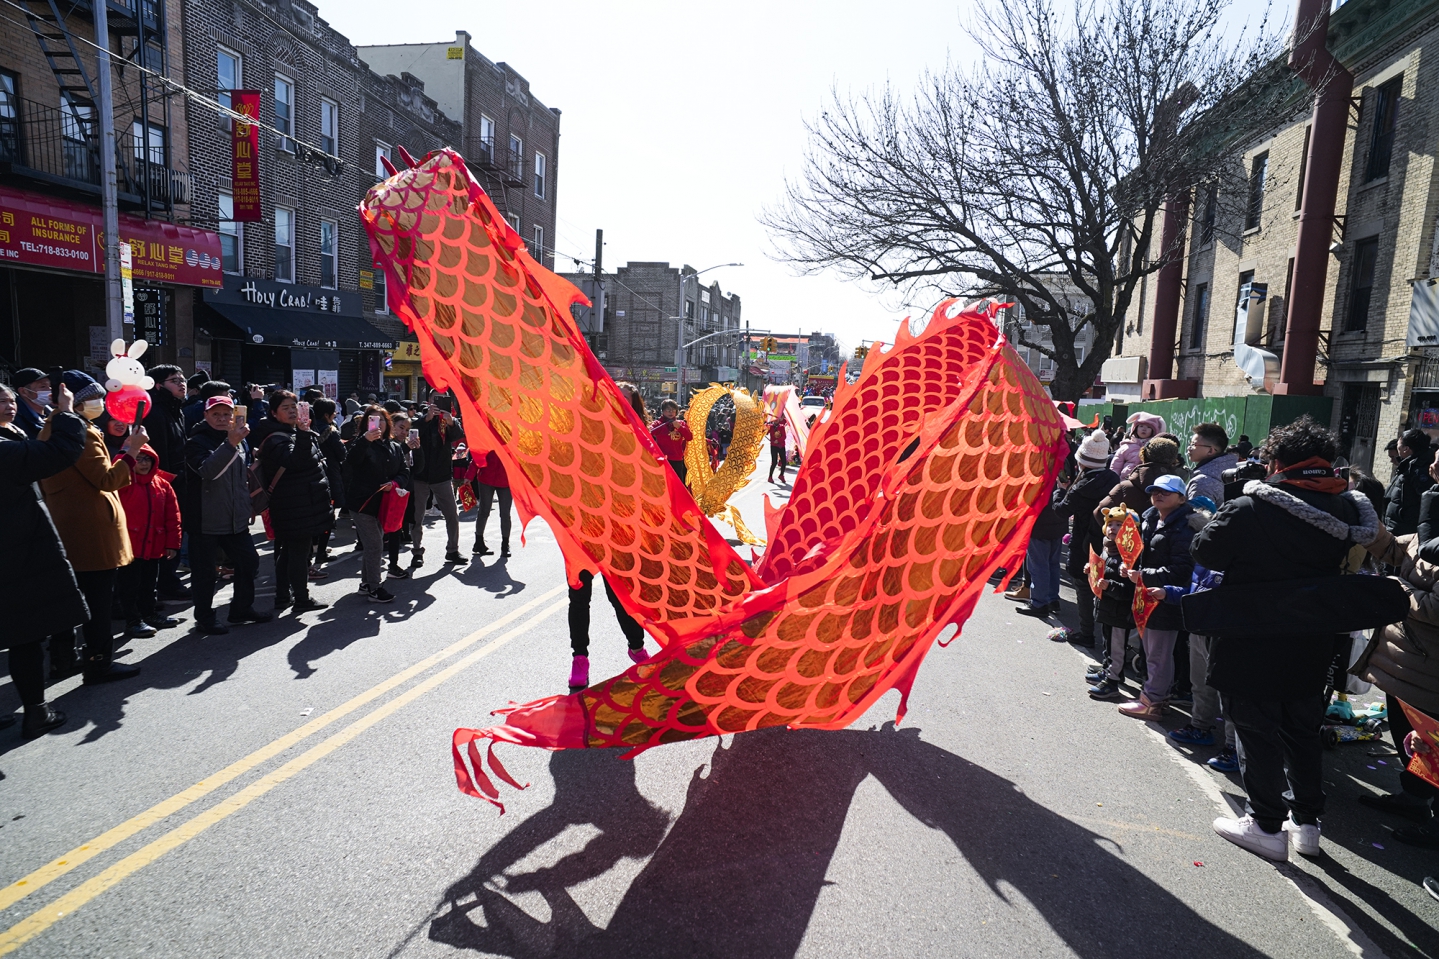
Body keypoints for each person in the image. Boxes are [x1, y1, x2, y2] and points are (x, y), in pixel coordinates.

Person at [1194, 416, 1378, 861]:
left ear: (1276, 463)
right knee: (1302, 728)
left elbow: (1206, 550)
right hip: (1313, 636)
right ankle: (1307, 823)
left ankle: (1266, 825)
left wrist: (1236, 499)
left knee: (1256, 729)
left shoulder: (1251, 506)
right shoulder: (1347, 509)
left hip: (1251, 634)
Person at [1347, 469, 1439, 849]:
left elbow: (1434, 607)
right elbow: (1396, 550)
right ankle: (1413, 798)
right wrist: (1366, 524)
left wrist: (1393, 587)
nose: (1432, 471)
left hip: (1427, 671)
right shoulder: (1430, 528)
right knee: (1409, 739)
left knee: (1431, 744)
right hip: (1402, 666)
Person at [40, 371, 147, 683]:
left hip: (67, 524)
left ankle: (63, 659)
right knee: (98, 601)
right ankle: (99, 662)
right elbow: (107, 479)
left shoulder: (51, 428)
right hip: (91, 527)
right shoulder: (81, 432)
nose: (99, 404)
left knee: (69, 599)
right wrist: (132, 450)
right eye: (92, 398)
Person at [1, 382, 87, 736]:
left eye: (9, 399)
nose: (8, 405)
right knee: (26, 635)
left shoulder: (12, 436)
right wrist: (66, 413)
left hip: (15, 548)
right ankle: (36, 712)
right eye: (0, 401)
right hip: (15, 552)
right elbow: (59, 452)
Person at [1157, 508, 1240, 770]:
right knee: (1200, 684)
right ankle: (1200, 726)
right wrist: (1168, 593)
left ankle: (1235, 748)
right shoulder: (1203, 558)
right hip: (1198, 629)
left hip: (1226, 634)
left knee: (1229, 693)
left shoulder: (1241, 559)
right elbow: (1194, 593)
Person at [185, 394, 269, 634]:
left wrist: (246, 505)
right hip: (205, 519)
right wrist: (230, 444)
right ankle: (204, 617)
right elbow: (208, 472)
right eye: (216, 414)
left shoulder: (238, 439)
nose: (221, 418)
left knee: (249, 561)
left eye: (226, 414)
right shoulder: (196, 442)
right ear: (206, 415)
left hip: (235, 518)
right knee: (204, 573)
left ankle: (241, 609)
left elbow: (241, 477)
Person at [1116, 474, 1197, 721]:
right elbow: (1142, 553)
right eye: (1155, 491)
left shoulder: (1185, 527)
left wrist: (1143, 575)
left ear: (1181, 498)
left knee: (1158, 654)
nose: (1158, 495)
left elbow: (1182, 570)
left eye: (1166, 492)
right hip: (1148, 596)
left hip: (1167, 598)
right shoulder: (1151, 517)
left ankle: (1152, 702)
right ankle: (1155, 698)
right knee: (1153, 652)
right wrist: (1129, 566)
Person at [251, 390, 332, 614]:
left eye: (294, 407)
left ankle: (283, 596)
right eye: (285, 408)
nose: (292, 411)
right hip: (293, 505)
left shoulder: (293, 432)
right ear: (274, 413)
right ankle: (301, 598)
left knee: (289, 551)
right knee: (298, 553)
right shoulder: (276, 438)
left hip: (302, 502)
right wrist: (304, 434)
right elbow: (296, 461)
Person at [1053, 430, 1119, 645]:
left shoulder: (1081, 487)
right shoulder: (1113, 478)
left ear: (1081, 460)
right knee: (1103, 585)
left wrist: (1060, 491)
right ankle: (1107, 637)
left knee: (1083, 586)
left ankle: (1086, 632)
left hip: (1083, 541)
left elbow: (1061, 510)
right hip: (1107, 540)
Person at [114, 444, 183, 638]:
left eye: (147, 459)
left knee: (149, 584)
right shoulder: (123, 482)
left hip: (154, 545)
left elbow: (173, 517)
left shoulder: (162, 484)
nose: (143, 464)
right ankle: (133, 621)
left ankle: (149, 614)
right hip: (129, 547)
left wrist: (172, 543)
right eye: (138, 459)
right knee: (129, 586)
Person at [344, 405, 407, 602]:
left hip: (384, 503)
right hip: (362, 503)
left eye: (381, 420)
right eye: (373, 420)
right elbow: (351, 462)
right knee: (375, 545)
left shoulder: (394, 446)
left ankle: (366, 584)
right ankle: (374, 587)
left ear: (387, 423)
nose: (378, 424)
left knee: (374, 544)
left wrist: (394, 484)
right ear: (366, 423)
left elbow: (404, 471)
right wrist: (365, 440)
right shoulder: (360, 443)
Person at [141, 364, 190, 598]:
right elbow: (158, 453)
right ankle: (164, 584)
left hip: (178, 480)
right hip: (164, 483)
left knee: (174, 530)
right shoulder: (155, 412)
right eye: (174, 380)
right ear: (159, 385)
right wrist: (169, 481)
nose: (182, 384)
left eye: (182, 379)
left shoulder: (176, 409)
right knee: (165, 531)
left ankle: (167, 581)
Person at [567, 568, 651, 691]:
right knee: (579, 596)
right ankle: (579, 659)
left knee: (620, 594)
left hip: (608, 554)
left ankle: (637, 648)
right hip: (580, 555)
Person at [1087, 507, 1138, 701]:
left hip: (1119, 611)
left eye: (1119, 524)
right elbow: (1103, 570)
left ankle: (1112, 681)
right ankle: (1108, 670)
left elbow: (1129, 590)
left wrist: (1110, 586)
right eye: (1110, 524)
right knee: (1108, 643)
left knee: (1117, 647)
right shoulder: (1108, 548)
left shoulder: (1129, 555)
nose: (1113, 528)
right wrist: (1091, 568)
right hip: (1107, 607)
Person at [411, 395, 466, 568]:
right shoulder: (421, 417)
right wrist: (427, 418)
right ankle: (417, 551)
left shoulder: (448, 420)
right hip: (420, 475)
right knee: (417, 516)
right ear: (429, 401)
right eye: (436, 399)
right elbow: (412, 431)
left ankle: (452, 550)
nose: (439, 403)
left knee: (452, 514)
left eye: (443, 399)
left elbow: (458, 436)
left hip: (442, 475)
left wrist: (451, 422)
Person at [1095, 435, 1180, 521]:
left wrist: (1119, 528)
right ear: (1174, 459)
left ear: (1144, 456)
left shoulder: (1125, 487)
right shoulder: (1179, 491)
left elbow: (1100, 511)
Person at [1018, 478, 1068, 618]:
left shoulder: (1040, 472)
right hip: (1057, 522)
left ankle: (1039, 602)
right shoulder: (1062, 469)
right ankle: (1052, 599)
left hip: (1040, 523)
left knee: (1039, 565)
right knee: (1052, 564)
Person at [310, 397, 346, 572]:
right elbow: (342, 454)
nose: (335, 415)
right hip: (330, 476)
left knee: (313, 514)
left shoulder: (307, 430)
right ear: (326, 415)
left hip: (312, 478)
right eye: (333, 412)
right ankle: (321, 553)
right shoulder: (331, 432)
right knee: (328, 516)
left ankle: (313, 547)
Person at [1386, 428, 1435, 537]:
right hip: (1397, 528)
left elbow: (1426, 502)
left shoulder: (1419, 470)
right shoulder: (1407, 465)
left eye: (1398, 445)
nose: (1397, 448)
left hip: (1406, 531)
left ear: (1406, 449)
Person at [1186, 422, 1238, 507]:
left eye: (1194, 444)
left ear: (1210, 451)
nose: (1189, 448)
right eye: (1190, 444)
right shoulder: (1234, 469)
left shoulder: (1202, 483)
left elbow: (1197, 515)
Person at [472, 450, 512, 557]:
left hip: (505, 480)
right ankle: (479, 542)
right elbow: (478, 454)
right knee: (484, 511)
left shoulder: (512, 442)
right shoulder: (488, 440)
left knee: (505, 514)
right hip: (486, 478)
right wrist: (469, 475)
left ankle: (505, 545)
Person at [1109, 412, 1166, 479]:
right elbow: (1115, 467)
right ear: (1135, 428)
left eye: (1148, 427)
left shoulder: (1155, 448)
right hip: (1125, 481)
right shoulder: (1126, 446)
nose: (1144, 429)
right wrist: (1113, 480)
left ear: (1154, 431)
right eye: (1141, 426)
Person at [650, 399, 692, 482]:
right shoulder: (658, 423)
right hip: (662, 460)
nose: (671, 412)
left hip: (677, 460)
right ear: (663, 411)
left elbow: (689, 437)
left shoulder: (681, 423)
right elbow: (650, 432)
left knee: (677, 485)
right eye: (668, 409)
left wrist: (679, 427)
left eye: (673, 410)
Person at [11, 368, 51, 439]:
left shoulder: (55, 412)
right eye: (43, 386)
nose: (50, 390)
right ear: (24, 392)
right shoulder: (14, 419)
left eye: (50, 386)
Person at [766, 414, 789, 484]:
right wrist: (763, 428)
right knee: (774, 462)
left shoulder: (781, 427)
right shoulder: (770, 427)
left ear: (779, 419)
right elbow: (765, 432)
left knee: (784, 462)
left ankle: (781, 475)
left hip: (781, 446)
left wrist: (778, 440)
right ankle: (770, 477)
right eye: (775, 419)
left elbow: (784, 436)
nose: (776, 420)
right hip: (773, 446)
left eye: (777, 419)